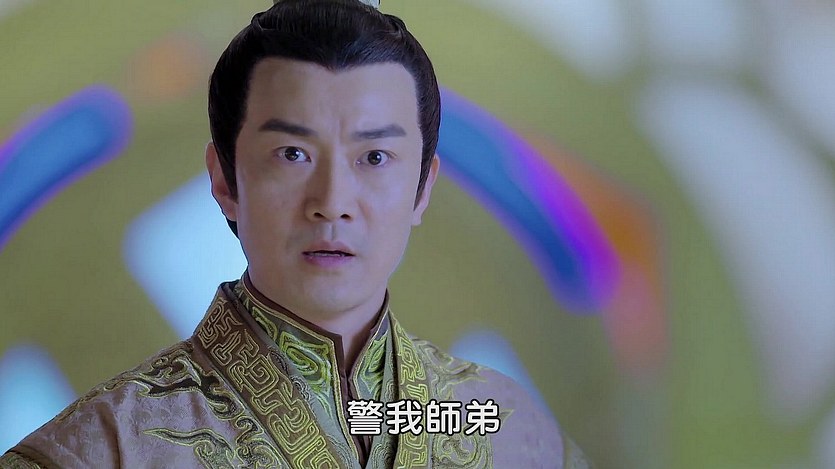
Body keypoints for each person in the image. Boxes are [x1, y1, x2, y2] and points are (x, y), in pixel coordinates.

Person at [1, 0, 590, 467]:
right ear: (224, 179)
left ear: (422, 187)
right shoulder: (101, 449)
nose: (332, 203)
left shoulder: (505, 427)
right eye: (292, 154)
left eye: (375, 157)